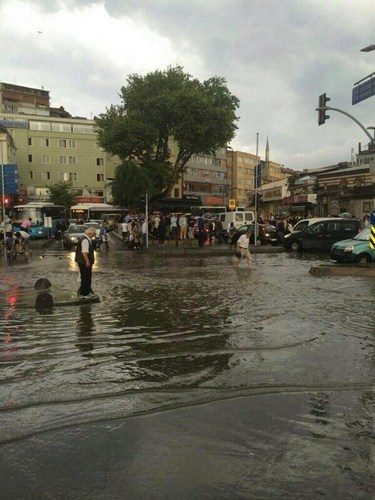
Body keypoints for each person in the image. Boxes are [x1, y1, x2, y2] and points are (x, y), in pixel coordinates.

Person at [75, 227, 96, 299]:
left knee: (85, 277)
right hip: (84, 262)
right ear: (90, 233)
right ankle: (84, 294)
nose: (93, 236)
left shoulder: (83, 238)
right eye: (93, 235)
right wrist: (87, 261)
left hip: (82, 262)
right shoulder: (85, 240)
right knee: (86, 278)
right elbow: (84, 252)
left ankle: (85, 293)